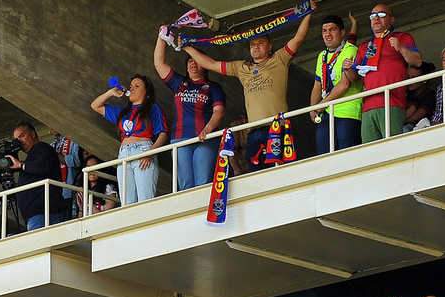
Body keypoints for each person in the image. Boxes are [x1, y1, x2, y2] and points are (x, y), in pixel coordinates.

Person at [182, 12, 311, 168]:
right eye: (252, 44)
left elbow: (298, 39)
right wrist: (187, 47)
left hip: (279, 127)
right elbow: (211, 64)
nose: (256, 47)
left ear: (270, 46)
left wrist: (307, 13)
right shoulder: (241, 67)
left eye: (260, 43)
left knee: (281, 171)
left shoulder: (279, 59)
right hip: (253, 131)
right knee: (256, 173)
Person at [154, 29, 225, 188]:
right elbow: (159, 64)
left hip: (205, 138)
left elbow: (218, 112)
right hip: (180, 139)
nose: (193, 63)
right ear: (186, 67)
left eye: (196, 60)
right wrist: (161, 37)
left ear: (205, 65)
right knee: (185, 184)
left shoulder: (213, 87)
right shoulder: (179, 83)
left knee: (203, 182)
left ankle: (204, 212)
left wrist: (208, 129)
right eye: (189, 61)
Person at [90, 77, 167, 205]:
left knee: (145, 200)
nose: (132, 88)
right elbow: (95, 105)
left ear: (146, 92)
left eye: (137, 86)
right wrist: (111, 92)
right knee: (127, 202)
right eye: (131, 86)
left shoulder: (152, 108)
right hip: (124, 154)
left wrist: (150, 153)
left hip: (143, 151)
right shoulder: (123, 112)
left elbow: (163, 133)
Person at [352, 3, 422, 142]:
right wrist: (347, 68)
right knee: (370, 151)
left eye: (381, 15)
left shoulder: (402, 37)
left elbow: (417, 61)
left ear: (392, 20)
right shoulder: (364, 46)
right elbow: (353, 77)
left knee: (392, 147)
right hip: (367, 105)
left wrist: (401, 48)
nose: (376, 18)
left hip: (392, 102)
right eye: (373, 16)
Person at [308, 14, 363, 153]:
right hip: (327, 112)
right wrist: (312, 109)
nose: (327, 34)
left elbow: (344, 84)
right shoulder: (322, 55)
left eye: (332, 30)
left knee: (347, 155)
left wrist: (320, 106)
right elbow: (317, 84)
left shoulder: (350, 50)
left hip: (347, 112)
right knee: (324, 155)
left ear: (342, 32)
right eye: (324, 31)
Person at [6, 119, 67, 228]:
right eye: (16, 139)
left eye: (22, 136)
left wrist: (21, 165)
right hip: (36, 215)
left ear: (33, 134)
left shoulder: (42, 147)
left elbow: (43, 167)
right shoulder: (31, 157)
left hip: (45, 213)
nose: (19, 141)